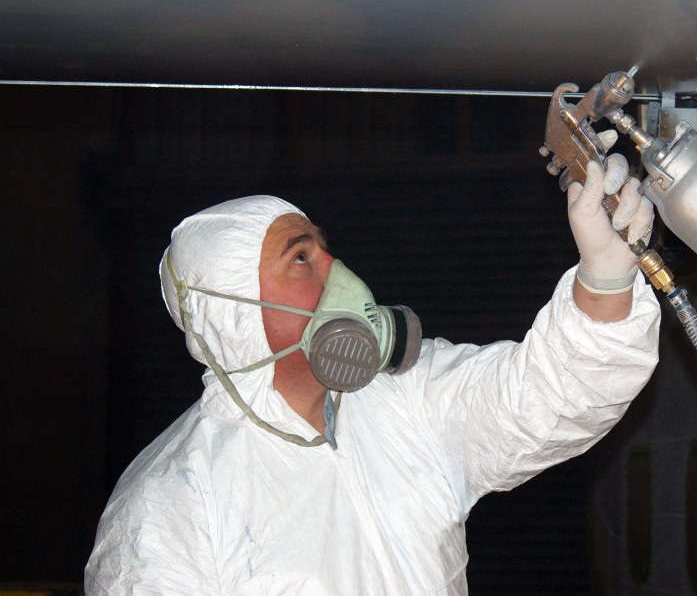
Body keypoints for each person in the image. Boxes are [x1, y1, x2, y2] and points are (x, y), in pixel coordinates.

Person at [85, 154, 662, 595]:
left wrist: (605, 276)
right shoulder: (169, 502)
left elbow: (543, 398)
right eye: (301, 258)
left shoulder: (405, 399)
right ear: (236, 314)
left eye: (326, 250)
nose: (339, 272)